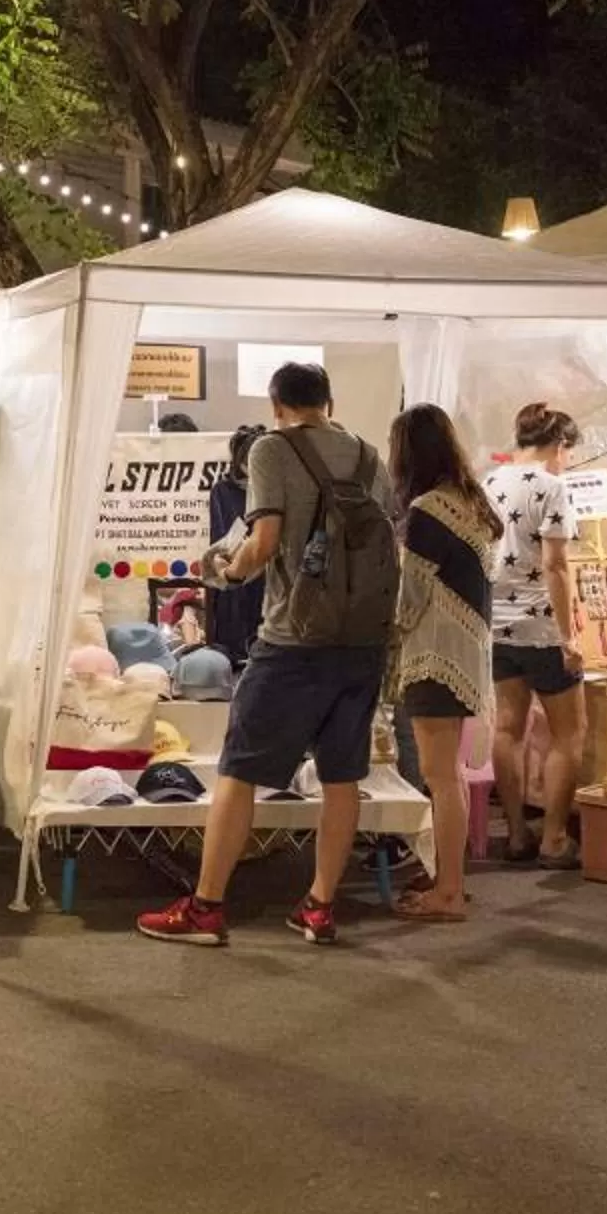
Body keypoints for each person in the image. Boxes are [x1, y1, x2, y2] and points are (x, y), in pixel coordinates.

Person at [139, 362, 394, 949]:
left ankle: (205, 908)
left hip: (294, 638)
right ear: (329, 401)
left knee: (239, 768)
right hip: (361, 640)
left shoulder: (272, 450)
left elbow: (266, 541)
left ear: (278, 405)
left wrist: (228, 570)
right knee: (341, 776)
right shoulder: (367, 455)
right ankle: (320, 907)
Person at [385, 403, 499, 924]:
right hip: (465, 650)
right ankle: (448, 880)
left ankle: (448, 890)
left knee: (441, 776)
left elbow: (409, 598)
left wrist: (384, 640)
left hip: (434, 654)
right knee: (447, 774)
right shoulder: (470, 503)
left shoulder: (429, 509)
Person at [482, 402, 586, 868]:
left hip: (496, 623)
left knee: (507, 728)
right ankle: (555, 838)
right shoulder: (552, 487)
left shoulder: (486, 481)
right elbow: (556, 564)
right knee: (570, 733)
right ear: (558, 445)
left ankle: (518, 834)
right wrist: (569, 636)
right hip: (542, 627)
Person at [205, 425, 266, 665]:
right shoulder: (222, 491)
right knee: (234, 619)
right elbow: (219, 536)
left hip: (266, 567)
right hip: (234, 568)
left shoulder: (272, 489)